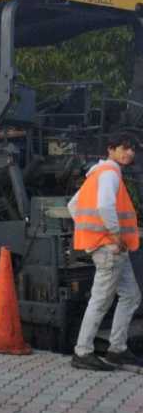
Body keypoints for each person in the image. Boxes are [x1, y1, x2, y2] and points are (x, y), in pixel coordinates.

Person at [69, 132, 142, 371]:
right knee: (100, 301)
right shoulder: (110, 173)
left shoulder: (98, 174)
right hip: (111, 248)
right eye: (124, 147)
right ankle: (83, 352)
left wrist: (94, 234)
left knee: (131, 295)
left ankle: (117, 349)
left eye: (132, 149)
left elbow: (73, 206)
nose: (129, 152)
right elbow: (105, 206)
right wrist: (113, 235)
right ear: (111, 149)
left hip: (110, 248)